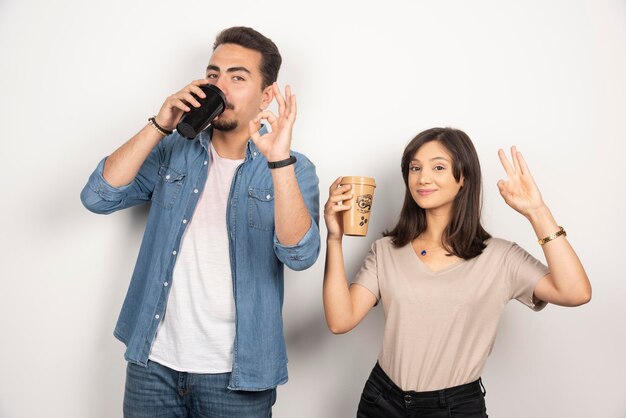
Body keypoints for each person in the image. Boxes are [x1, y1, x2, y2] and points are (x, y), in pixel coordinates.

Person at [81, 26, 320, 417]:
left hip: (238, 375)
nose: (220, 86)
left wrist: (278, 161)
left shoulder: (293, 169)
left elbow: (300, 255)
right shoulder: (173, 151)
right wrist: (161, 124)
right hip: (153, 363)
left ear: (267, 94)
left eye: (237, 77)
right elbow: (97, 196)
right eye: (213, 74)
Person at [322, 127, 590, 417]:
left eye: (438, 167)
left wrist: (537, 211)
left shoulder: (500, 257)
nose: (423, 178)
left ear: (463, 178)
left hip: (454, 409)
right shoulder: (386, 250)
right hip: (382, 402)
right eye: (415, 168)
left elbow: (575, 292)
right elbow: (340, 320)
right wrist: (334, 239)